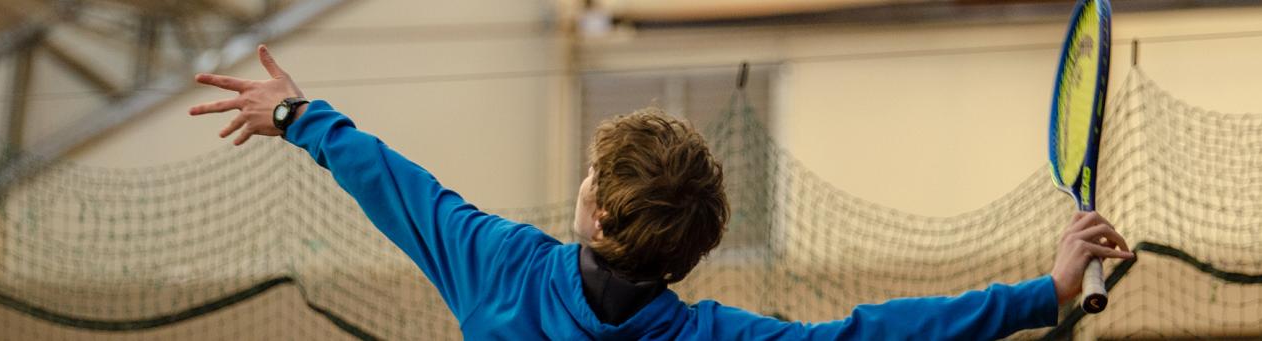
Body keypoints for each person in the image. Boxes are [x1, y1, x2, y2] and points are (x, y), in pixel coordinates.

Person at [188, 45, 1135, 340]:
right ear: (686, 251)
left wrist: (296, 115)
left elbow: (393, 184)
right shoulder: (719, 337)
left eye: (592, 175)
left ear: (594, 210)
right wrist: (1044, 292)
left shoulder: (496, 270)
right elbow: (882, 332)